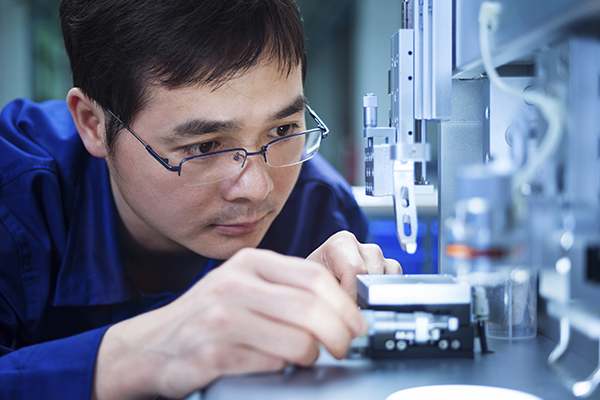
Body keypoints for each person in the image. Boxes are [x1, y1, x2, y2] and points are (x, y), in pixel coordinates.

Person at [0, 0, 401, 398]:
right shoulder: (14, 200)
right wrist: (143, 355)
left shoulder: (317, 209)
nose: (257, 188)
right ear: (94, 124)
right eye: (206, 145)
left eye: (281, 131)